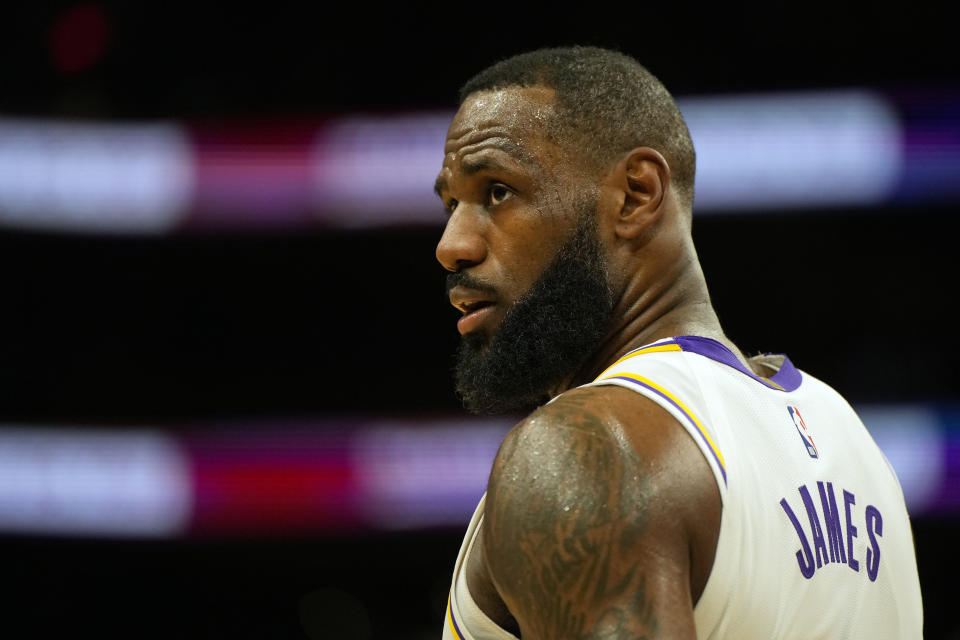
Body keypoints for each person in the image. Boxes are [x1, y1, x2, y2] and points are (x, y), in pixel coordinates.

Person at [433, 46, 922, 639]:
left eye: (498, 192)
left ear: (636, 195)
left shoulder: (584, 451)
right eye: (451, 203)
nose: (451, 243)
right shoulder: (851, 439)